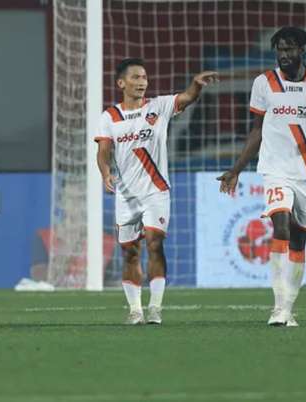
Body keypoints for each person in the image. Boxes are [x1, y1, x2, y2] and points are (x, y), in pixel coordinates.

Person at [217, 27, 306, 326]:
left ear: (302, 50)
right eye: (280, 49)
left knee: (299, 240)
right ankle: (278, 308)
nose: (284, 54)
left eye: (289, 49)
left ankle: (289, 307)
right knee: (281, 227)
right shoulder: (264, 83)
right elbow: (257, 130)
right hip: (274, 169)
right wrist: (236, 169)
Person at [95, 57, 218, 325]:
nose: (142, 82)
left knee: (154, 243)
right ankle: (135, 310)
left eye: (144, 77)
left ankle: (155, 308)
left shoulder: (158, 106)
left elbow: (186, 98)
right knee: (130, 252)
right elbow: (103, 152)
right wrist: (105, 173)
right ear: (121, 83)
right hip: (126, 195)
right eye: (136, 77)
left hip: (156, 191)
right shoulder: (109, 117)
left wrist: (196, 85)